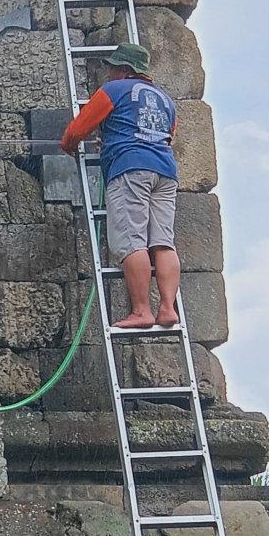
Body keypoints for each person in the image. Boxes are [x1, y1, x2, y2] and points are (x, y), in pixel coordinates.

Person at [59, 42, 180, 332]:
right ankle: (167, 308)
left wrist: (70, 146)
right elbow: (166, 137)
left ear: (125, 70)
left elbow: (75, 130)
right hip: (165, 172)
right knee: (163, 242)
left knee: (132, 240)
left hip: (130, 168)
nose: (109, 73)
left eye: (112, 68)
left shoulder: (113, 91)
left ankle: (141, 311)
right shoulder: (166, 101)